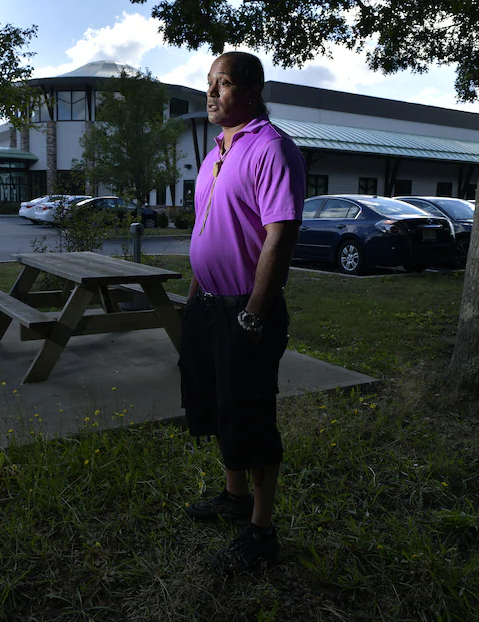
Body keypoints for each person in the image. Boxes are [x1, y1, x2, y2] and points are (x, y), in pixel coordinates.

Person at [179, 51, 307, 572]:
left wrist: (254, 314)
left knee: (250, 414)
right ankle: (233, 500)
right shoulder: (213, 153)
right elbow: (206, 233)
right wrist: (192, 300)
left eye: (223, 83)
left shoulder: (272, 149)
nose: (210, 93)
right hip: (206, 307)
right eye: (208, 83)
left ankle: (262, 530)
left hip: (244, 312)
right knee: (215, 406)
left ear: (252, 91)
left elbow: (280, 237)